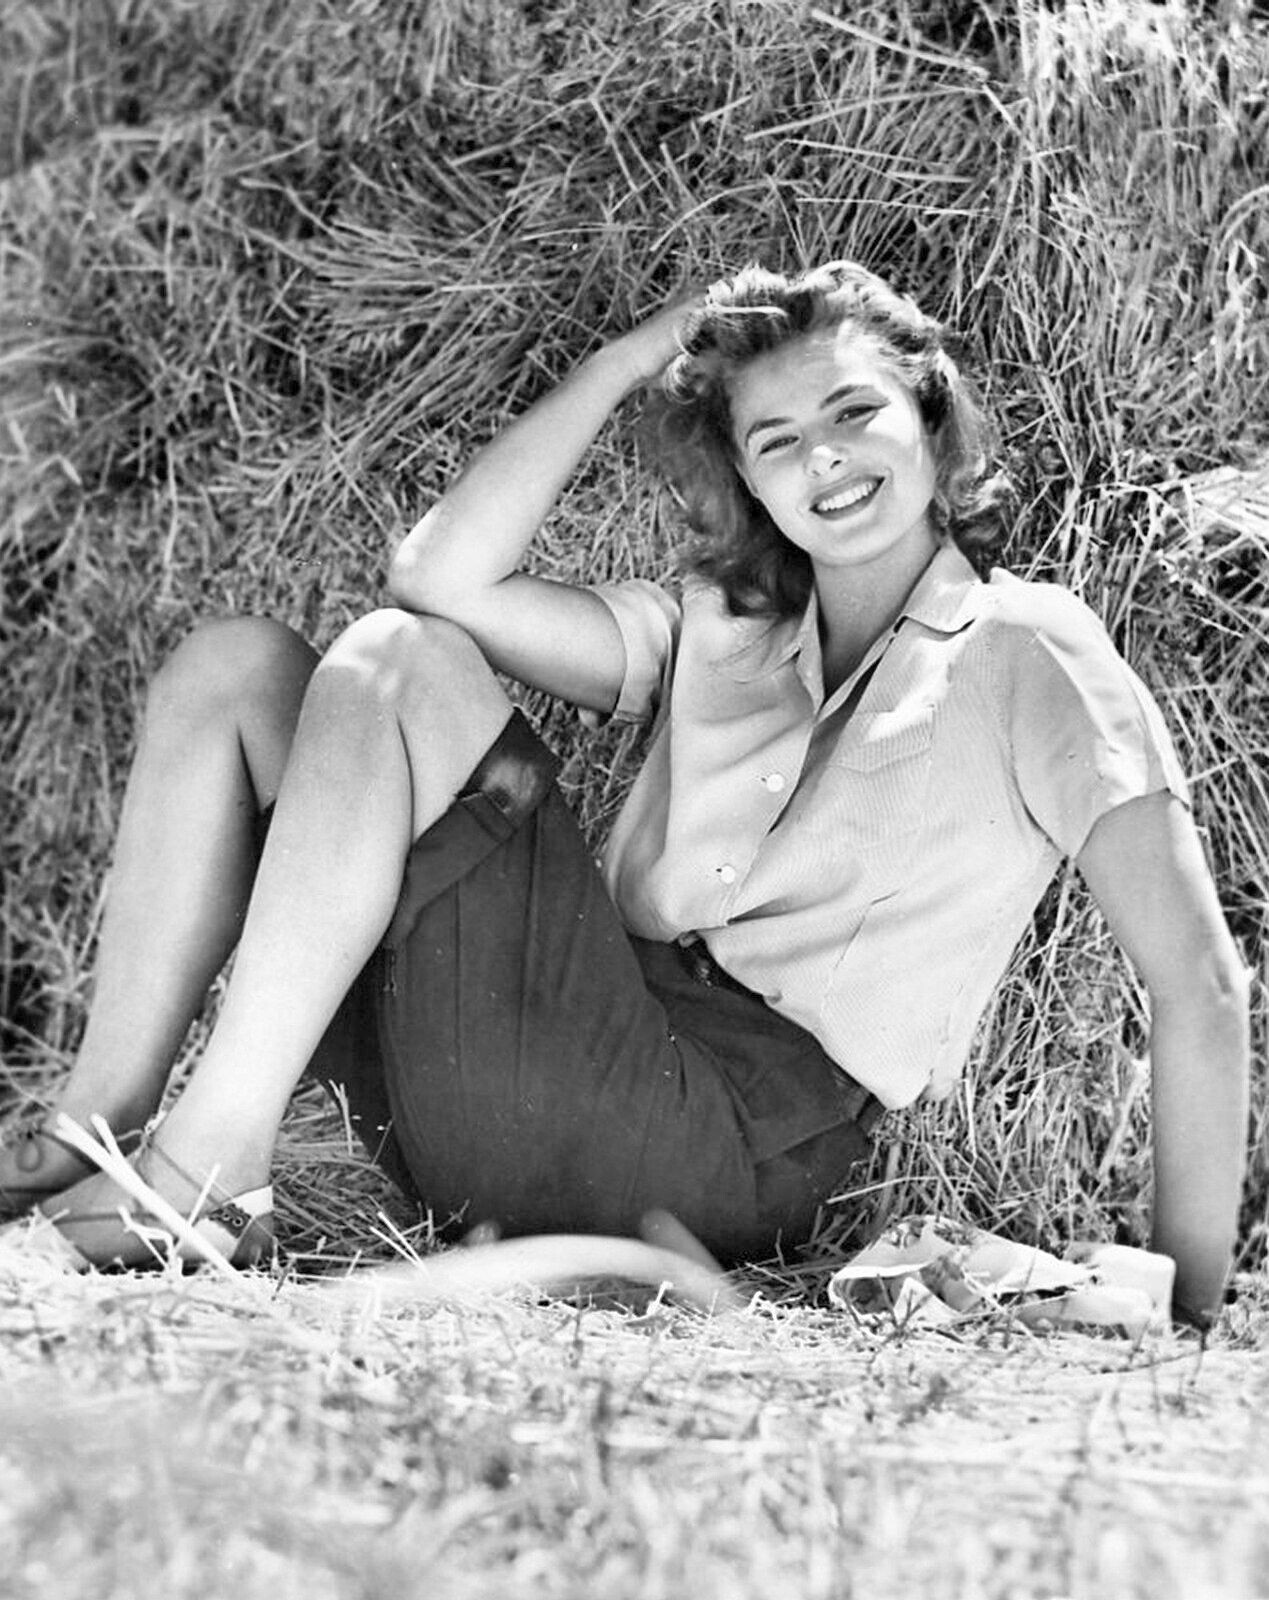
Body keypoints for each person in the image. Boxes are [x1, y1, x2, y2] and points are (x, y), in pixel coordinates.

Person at [0, 262, 1249, 1325]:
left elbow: (1197, 978)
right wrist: (624, 362)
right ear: (748, 480)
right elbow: (439, 575)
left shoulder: (1030, 649)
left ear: (931, 418)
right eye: (775, 441)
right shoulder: (725, 629)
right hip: (530, 1066)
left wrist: (1188, 1304)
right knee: (236, 672)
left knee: (395, 665)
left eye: (855, 411)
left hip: (720, 1143)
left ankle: (201, 1176)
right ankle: (95, 1132)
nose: (823, 458)